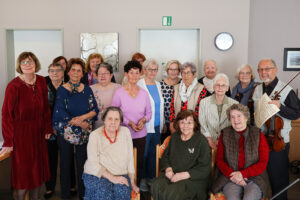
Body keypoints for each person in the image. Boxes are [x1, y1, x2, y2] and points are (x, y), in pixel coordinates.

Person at [1, 52, 52, 200]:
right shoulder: (14, 86)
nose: (28, 64)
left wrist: (47, 127)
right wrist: (8, 140)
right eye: (24, 62)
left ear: (35, 64)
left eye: (30, 61)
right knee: (23, 177)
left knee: (37, 174)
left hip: (38, 134)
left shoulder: (42, 81)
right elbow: (6, 115)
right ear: (20, 66)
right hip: (21, 136)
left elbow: (45, 109)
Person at [252, 59, 300, 200]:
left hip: (278, 142)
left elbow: (296, 114)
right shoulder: (257, 89)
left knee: (278, 179)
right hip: (260, 140)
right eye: (260, 69)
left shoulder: (287, 90)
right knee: (259, 178)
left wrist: (280, 106)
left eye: (267, 68)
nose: (263, 72)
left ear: (275, 69)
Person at [52, 58, 99, 199]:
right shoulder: (62, 89)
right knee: (65, 166)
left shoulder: (87, 89)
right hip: (65, 133)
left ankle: (83, 195)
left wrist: (83, 119)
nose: (76, 73)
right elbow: (60, 112)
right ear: (68, 71)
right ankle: (65, 196)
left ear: (82, 73)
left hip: (84, 133)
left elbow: (95, 109)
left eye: (79, 70)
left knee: (83, 166)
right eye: (73, 69)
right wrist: (79, 122)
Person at [212, 104, 269, 200]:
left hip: (254, 178)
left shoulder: (258, 134)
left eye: (239, 116)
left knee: (249, 198)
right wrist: (234, 176)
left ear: (246, 117)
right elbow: (219, 160)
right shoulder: (225, 134)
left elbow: (263, 162)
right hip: (230, 178)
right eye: (232, 117)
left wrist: (243, 174)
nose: (236, 119)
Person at [151, 109, 211, 200]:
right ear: (178, 124)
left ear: (195, 124)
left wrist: (183, 175)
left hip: (192, 179)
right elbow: (165, 157)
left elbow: (205, 167)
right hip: (172, 174)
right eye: (182, 122)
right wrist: (168, 169)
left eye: (189, 122)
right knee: (156, 186)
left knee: (174, 193)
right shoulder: (174, 137)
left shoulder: (201, 141)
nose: (185, 126)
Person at [82, 107, 139, 200]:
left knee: (122, 192)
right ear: (104, 119)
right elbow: (93, 163)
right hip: (97, 174)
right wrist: (112, 178)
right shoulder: (95, 135)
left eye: (116, 119)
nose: (113, 122)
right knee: (103, 192)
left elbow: (130, 158)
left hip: (120, 174)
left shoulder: (125, 132)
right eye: (110, 118)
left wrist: (132, 182)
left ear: (120, 121)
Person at [111, 60, 152, 185]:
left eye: (137, 73)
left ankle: (137, 189)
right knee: (122, 163)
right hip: (123, 134)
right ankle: (124, 189)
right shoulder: (119, 92)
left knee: (138, 163)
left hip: (140, 135)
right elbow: (113, 113)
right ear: (126, 74)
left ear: (140, 75)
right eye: (131, 73)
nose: (134, 76)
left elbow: (149, 113)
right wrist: (129, 123)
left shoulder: (144, 94)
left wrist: (143, 120)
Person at [137, 59, 164, 191]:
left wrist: (163, 123)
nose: (152, 72)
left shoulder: (158, 84)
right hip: (144, 127)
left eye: (155, 69)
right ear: (145, 70)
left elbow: (160, 106)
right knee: (144, 154)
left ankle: (152, 178)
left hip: (157, 126)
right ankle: (142, 179)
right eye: (150, 69)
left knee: (154, 154)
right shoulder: (139, 84)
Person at [199, 73, 238, 150]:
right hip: (207, 142)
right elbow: (202, 124)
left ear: (227, 88)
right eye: (217, 85)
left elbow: (235, 125)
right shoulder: (203, 102)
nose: (220, 88)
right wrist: (210, 140)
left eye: (223, 85)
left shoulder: (234, 104)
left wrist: (222, 140)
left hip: (227, 142)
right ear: (213, 87)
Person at [44, 63, 64, 199]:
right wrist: (49, 127)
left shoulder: (68, 87)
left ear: (63, 73)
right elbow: (41, 111)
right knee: (50, 159)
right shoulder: (43, 88)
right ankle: (49, 187)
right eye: (51, 71)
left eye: (57, 71)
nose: (54, 73)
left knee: (66, 159)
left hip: (65, 130)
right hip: (48, 130)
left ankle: (69, 186)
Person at [169, 62, 208, 133]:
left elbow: (200, 111)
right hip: (177, 125)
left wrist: (189, 125)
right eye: (183, 73)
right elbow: (172, 107)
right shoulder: (176, 88)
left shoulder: (201, 89)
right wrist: (172, 123)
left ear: (194, 74)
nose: (185, 76)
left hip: (193, 126)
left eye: (188, 73)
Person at [91, 62, 121, 129]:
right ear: (96, 76)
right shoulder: (91, 89)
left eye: (106, 73)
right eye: (100, 74)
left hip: (115, 126)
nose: (103, 76)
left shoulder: (119, 88)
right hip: (96, 126)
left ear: (111, 75)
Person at [160, 60, 181, 142]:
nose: (173, 72)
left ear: (179, 71)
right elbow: (160, 105)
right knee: (165, 146)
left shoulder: (183, 83)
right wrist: (163, 122)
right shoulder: (161, 84)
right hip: (165, 122)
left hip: (180, 122)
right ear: (167, 70)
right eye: (171, 69)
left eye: (175, 69)